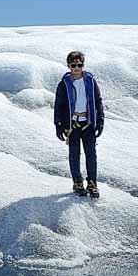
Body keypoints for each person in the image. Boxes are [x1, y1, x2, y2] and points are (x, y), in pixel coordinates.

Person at [52, 50, 104, 198]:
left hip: (87, 123)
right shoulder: (64, 84)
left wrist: (100, 121)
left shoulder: (90, 81)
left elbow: (98, 101)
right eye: (73, 65)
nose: (76, 68)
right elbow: (59, 105)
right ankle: (77, 182)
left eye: (79, 65)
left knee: (91, 155)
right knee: (74, 155)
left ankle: (92, 183)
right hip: (72, 125)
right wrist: (58, 125)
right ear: (68, 66)